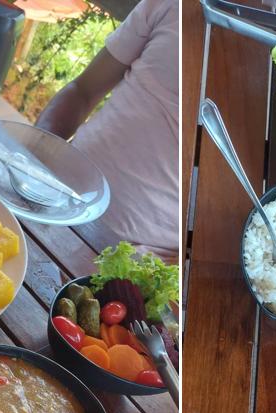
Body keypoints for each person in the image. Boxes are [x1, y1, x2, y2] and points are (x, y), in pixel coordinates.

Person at [34, 0, 179, 261]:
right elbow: (83, 92)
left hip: (138, 261)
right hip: (54, 200)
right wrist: (32, 160)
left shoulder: (272, 64)